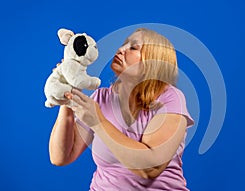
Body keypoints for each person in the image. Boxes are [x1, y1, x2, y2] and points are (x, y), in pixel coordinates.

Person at [49, 28, 194, 190]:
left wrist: (98, 122)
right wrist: (67, 97)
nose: (121, 49)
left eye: (133, 47)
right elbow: (60, 157)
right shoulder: (101, 98)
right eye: (124, 44)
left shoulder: (171, 98)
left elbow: (151, 167)